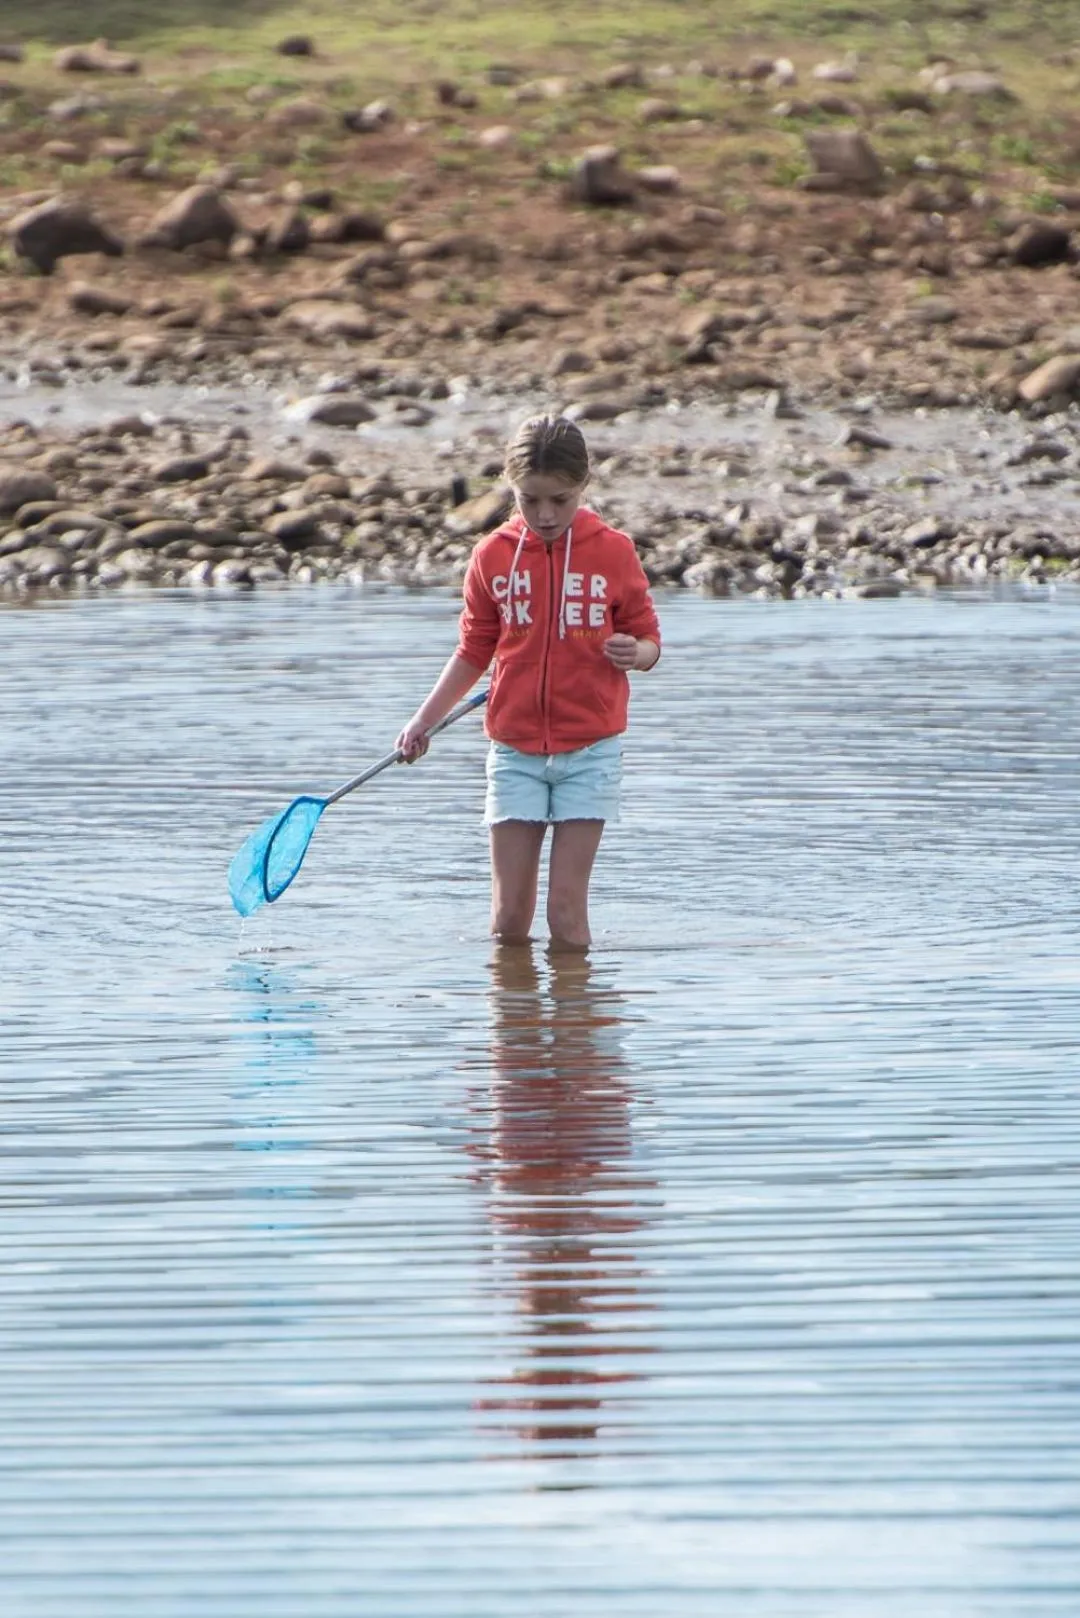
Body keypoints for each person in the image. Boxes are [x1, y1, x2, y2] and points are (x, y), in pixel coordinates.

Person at [396, 414, 660, 949]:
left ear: (583, 486)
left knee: (565, 915)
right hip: (513, 751)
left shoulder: (614, 552)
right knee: (508, 918)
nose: (544, 515)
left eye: (559, 500)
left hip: (591, 751)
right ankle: (513, 1029)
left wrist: (638, 653)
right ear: (511, 487)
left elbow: (650, 638)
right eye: (529, 499)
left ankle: (576, 1030)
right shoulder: (492, 555)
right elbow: (474, 650)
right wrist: (423, 721)